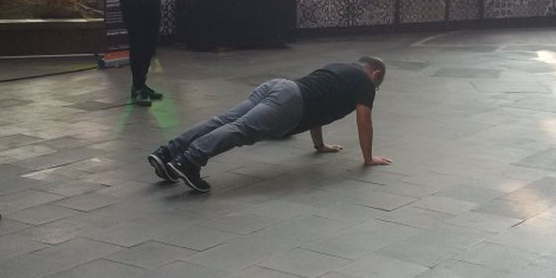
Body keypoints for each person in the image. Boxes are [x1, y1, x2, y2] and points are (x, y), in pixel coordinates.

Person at [147, 57, 390, 193]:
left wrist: (320, 144)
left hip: (278, 86)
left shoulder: (340, 68)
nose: (375, 89)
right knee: (240, 130)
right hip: (291, 103)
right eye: (378, 85)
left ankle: (169, 152)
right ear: (376, 74)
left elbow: (320, 105)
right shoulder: (365, 84)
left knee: (223, 120)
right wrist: (368, 158)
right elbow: (364, 120)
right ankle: (188, 161)